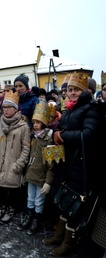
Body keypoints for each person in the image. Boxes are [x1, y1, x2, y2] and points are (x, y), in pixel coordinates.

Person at [43, 72, 102, 257]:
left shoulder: (91, 108)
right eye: (70, 89)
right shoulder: (69, 109)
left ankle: (67, 244)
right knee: (64, 201)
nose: (73, 92)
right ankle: (59, 235)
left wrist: (63, 136)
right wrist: (55, 133)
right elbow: (64, 130)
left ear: (84, 91)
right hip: (67, 164)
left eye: (77, 89)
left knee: (75, 206)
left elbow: (88, 134)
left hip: (81, 165)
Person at [0, 90, 31, 224]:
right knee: (1, 188)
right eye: (4, 107)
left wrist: (19, 164)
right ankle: (1, 208)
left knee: (12, 190)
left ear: (15, 109)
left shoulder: (23, 126)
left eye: (9, 107)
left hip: (14, 163)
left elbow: (26, 148)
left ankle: (10, 209)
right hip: (1, 163)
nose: (5, 110)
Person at [18, 100, 55, 235]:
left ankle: (36, 221)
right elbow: (28, 158)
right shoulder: (33, 137)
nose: (35, 125)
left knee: (39, 201)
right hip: (31, 174)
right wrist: (25, 174)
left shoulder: (50, 139)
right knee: (30, 199)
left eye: (38, 123)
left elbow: (52, 164)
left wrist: (48, 182)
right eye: (34, 123)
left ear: (44, 123)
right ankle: (29, 218)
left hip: (41, 177)